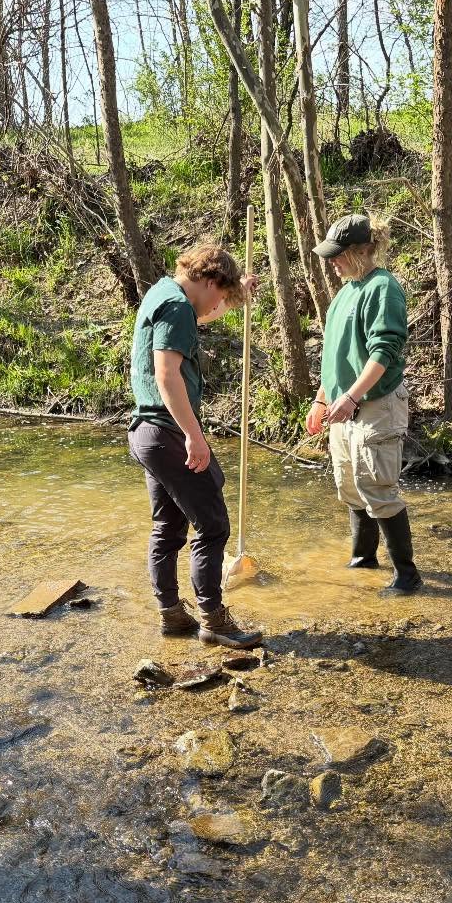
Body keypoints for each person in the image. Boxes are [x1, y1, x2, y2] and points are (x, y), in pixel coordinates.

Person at [129, 244, 262, 650]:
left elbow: (200, 315)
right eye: (219, 294)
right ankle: (214, 620)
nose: (217, 304)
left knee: (168, 527)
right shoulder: (176, 307)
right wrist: (194, 435)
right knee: (213, 524)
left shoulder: (164, 294)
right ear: (207, 281)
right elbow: (167, 375)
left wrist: (237, 296)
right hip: (167, 431)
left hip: (146, 433)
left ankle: (171, 614)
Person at [304, 214, 421, 595]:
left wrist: (352, 395)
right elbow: (335, 357)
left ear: (364, 251)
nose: (331, 262)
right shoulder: (344, 294)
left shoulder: (383, 288)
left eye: (338, 255)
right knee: (349, 485)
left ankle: (406, 575)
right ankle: (363, 558)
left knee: (378, 487)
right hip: (342, 407)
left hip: (376, 405)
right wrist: (322, 400)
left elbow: (384, 351)